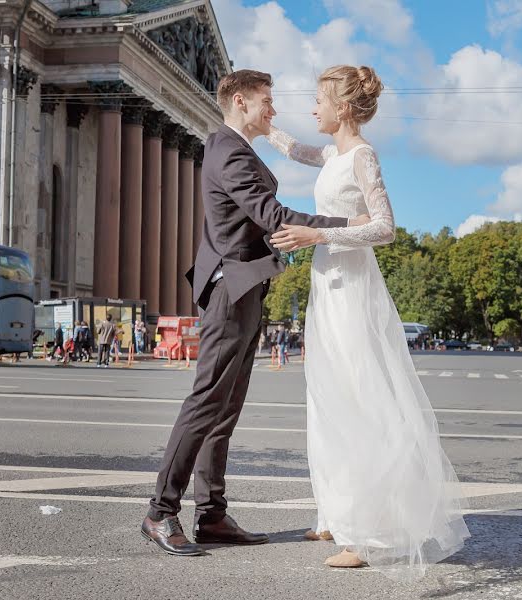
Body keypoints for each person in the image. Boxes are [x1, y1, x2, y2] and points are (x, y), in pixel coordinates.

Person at [141, 69, 367, 557]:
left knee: (224, 410)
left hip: (245, 287)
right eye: (267, 101)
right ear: (240, 101)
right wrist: (349, 223)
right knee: (206, 403)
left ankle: (212, 516)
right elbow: (275, 217)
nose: (274, 109)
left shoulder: (237, 148)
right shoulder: (228, 150)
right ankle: (160, 512)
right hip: (231, 288)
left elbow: (268, 206)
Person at [266, 64, 469, 579]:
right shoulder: (332, 154)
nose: (312, 108)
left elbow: (386, 227)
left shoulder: (362, 155)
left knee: (357, 396)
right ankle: (335, 513)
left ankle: (368, 532)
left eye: (318, 100)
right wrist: (260, 121)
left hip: (352, 286)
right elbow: (294, 151)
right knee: (326, 395)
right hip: (326, 284)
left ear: (344, 108)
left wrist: (319, 236)